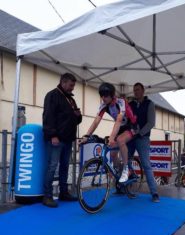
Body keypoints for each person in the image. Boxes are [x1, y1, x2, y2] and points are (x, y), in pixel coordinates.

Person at [80, 82, 137, 183]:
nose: (103, 98)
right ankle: (119, 172)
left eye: (105, 95)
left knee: (120, 140)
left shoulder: (121, 102)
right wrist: (86, 135)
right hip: (121, 127)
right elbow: (96, 121)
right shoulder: (104, 105)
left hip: (132, 126)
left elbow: (119, 120)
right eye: (101, 95)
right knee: (113, 154)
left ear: (112, 95)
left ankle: (125, 169)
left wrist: (112, 137)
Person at [42, 73, 82, 208]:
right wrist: (53, 135)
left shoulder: (70, 99)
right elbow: (48, 116)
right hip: (56, 138)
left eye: (73, 86)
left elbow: (76, 119)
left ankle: (63, 193)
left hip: (68, 138)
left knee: (65, 166)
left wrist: (78, 115)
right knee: (52, 166)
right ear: (63, 82)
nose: (72, 88)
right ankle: (47, 196)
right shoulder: (52, 95)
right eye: (71, 85)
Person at [128, 82, 159, 203]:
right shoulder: (130, 104)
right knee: (125, 161)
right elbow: (126, 119)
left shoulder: (149, 104)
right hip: (130, 137)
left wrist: (140, 133)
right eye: (134, 90)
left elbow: (151, 123)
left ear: (143, 90)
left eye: (138, 90)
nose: (136, 92)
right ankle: (124, 187)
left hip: (143, 138)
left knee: (146, 165)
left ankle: (154, 193)